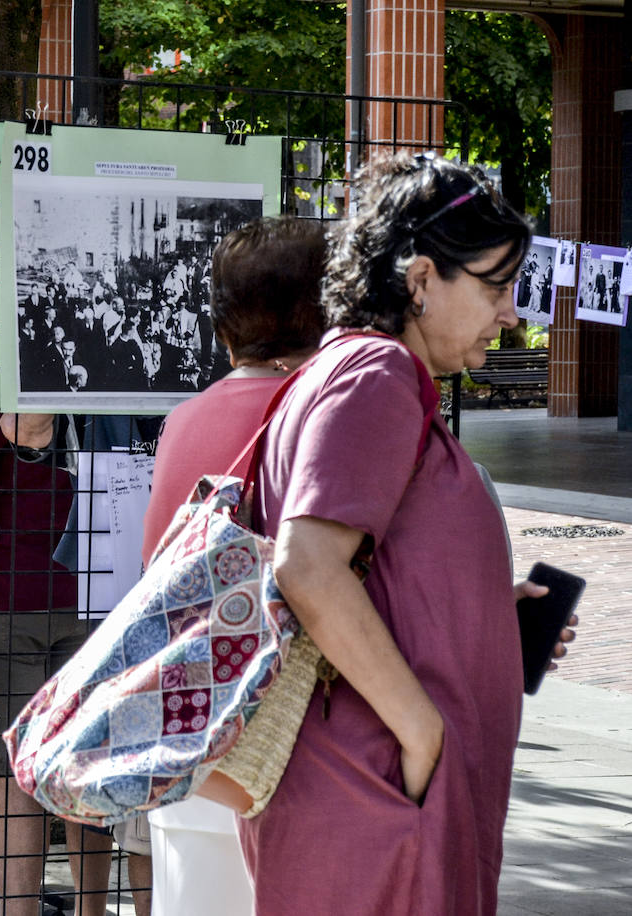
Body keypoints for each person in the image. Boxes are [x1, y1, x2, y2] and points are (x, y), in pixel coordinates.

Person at [241, 153, 574, 914]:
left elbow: (373, 571)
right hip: (380, 800)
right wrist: (424, 737)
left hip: (382, 799)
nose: (512, 313)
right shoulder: (377, 376)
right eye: (495, 285)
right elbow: (310, 566)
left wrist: (486, 615)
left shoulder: (365, 375)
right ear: (421, 280)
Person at [138, 216, 330, 915]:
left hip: (192, 730)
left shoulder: (185, 419)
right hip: (296, 752)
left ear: (222, 321)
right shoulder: (329, 414)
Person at [0, 402, 114, 916]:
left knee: (18, 782)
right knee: (83, 774)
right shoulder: (104, 359)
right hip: (92, 591)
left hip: (1, 599)